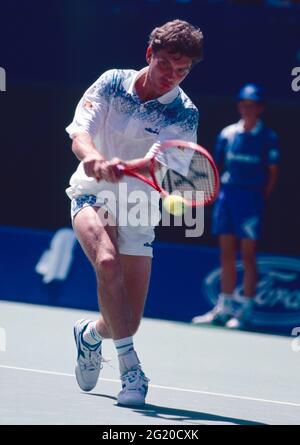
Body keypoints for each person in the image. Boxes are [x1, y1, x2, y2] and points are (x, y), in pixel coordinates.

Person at [66, 19, 203, 406]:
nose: (172, 78)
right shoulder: (111, 82)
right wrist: (94, 159)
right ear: (150, 55)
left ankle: (90, 335)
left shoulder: (184, 113)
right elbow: (81, 133)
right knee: (106, 263)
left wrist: (126, 167)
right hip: (91, 193)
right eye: (166, 66)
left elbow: (165, 165)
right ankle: (132, 372)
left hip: (140, 208)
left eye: (183, 71)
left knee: (124, 321)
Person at [192, 83, 280, 329]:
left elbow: (272, 174)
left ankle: (245, 310)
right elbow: (218, 168)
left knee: (248, 256)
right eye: (243, 104)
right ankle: (224, 307)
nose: (246, 109)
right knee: (226, 254)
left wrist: (257, 199)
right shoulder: (227, 134)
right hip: (227, 199)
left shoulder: (268, 138)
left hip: (251, 201)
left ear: (260, 108)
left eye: (251, 105)